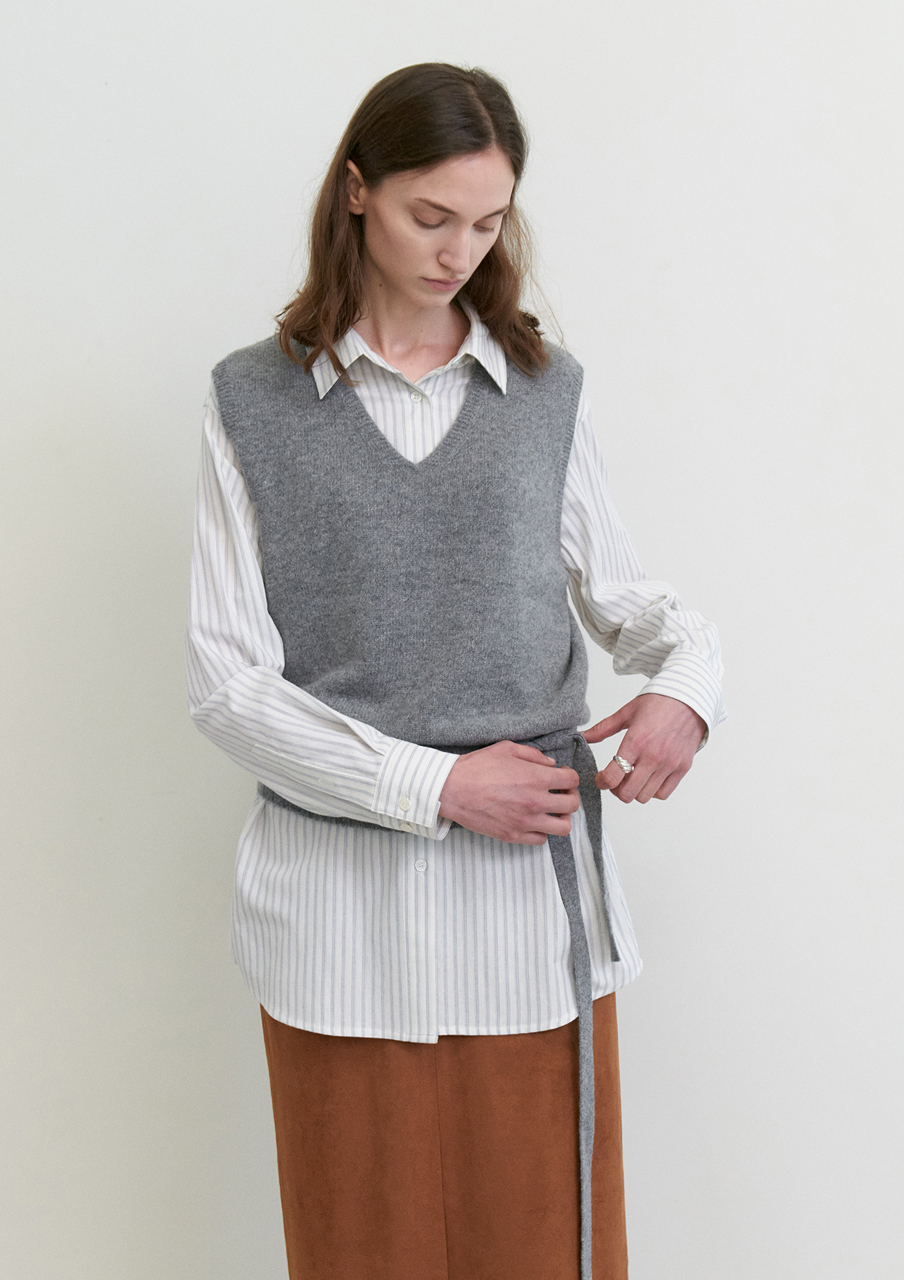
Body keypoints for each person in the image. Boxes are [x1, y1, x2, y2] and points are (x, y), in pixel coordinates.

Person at [186, 62, 724, 1280]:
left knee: (542, 1251)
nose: (458, 252)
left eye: (487, 223)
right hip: (336, 926)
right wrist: (435, 785)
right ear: (357, 191)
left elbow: (635, 605)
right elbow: (226, 679)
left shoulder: (545, 392)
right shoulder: (249, 401)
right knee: (357, 1251)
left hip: (527, 920)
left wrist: (688, 691)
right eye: (431, 216)